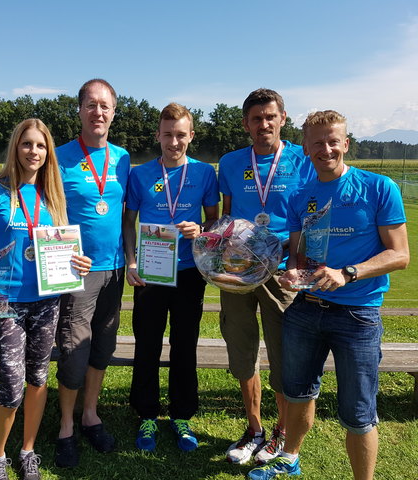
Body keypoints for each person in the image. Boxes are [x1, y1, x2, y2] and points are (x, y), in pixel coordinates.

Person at [248, 110, 410, 480]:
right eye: (317, 142)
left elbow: (400, 255)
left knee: (358, 412)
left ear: (346, 143)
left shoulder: (378, 187)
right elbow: (299, 254)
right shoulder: (301, 197)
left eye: (333, 141)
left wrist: (349, 273)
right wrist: (293, 272)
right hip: (306, 309)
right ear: (305, 148)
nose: (326, 149)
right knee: (298, 392)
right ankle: (290, 456)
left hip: (357, 315)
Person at [0, 119, 92, 480]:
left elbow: (65, 246)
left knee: (37, 379)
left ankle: (28, 451)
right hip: (3, 301)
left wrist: (78, 263)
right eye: (26, 144)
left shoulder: (54, 193)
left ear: (47, 151)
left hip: (46, 301)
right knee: (10, 386)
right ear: (15, 148)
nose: (33, 151)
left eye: (39, 145)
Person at [217, 88, 316, 465]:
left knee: (284, 354)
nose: (264, 124)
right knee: (242, 352)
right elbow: (227, 217)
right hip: (239, 273)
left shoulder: (301, 158)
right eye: (256, 119)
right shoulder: (229, 162)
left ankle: (283, 431)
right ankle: (254, 427)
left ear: (283, 118)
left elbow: (311, 214)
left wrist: (298, 262)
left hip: (282, 272)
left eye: (270, 117)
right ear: (246, 124)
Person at [123, 103, 219, 452]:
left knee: (184, 345)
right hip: (150, 272)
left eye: (181, 135)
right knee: (146, 344)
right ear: (158, 136)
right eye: (168, 134)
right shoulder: (140, 174)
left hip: (190, 272)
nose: (174, 141)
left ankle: (182, 414)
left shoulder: (205, 173)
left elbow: (214, 222)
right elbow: (127, 222)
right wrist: (131, 262)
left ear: (191, 136)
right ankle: (146, 414)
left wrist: (201, 228)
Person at [54, 79, 130, 467]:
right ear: (79, 110)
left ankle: (90, 414)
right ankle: (66, 424)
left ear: (114, 112)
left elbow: (128, 214)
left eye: (105, 106)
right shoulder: (59, 156)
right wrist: (65, 254)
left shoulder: (122, 158)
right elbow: (47, 212)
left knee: (103, 346)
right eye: (91, 105)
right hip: (76, 272)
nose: (98, 112)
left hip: (114, 271)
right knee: (72, 348)